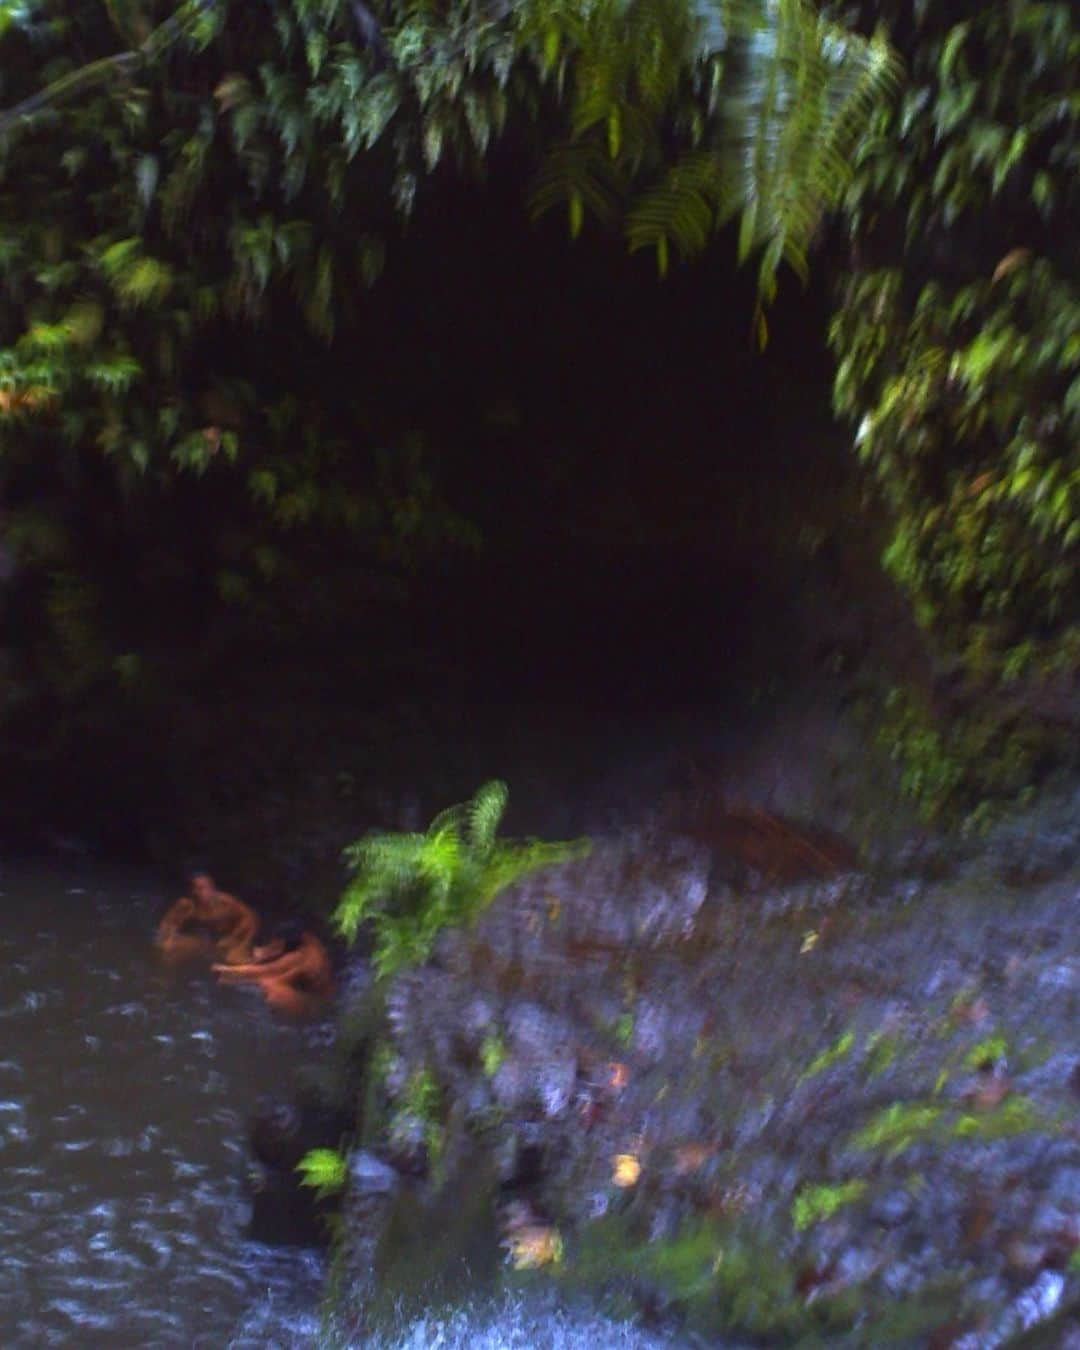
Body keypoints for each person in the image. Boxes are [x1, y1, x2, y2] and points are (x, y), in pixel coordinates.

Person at [212, 921, 333, 1016]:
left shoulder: (299, 957)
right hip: (324, 999)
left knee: (271, 987)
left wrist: (228, 970)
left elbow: (265, 971)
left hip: (317, 1004)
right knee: (268, 982)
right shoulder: (314, 946)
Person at [156, 871, 259, 964]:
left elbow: (250, 919)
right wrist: (167, 939)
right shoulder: (186, 905)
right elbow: (168, 923)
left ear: (211, 889)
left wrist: (235, 938)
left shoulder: (226, 903)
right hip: (200, 942)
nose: (196, 892)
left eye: (201, 888)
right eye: (194, 888)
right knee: (170, 953)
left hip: (226, 942)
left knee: (235, 959)